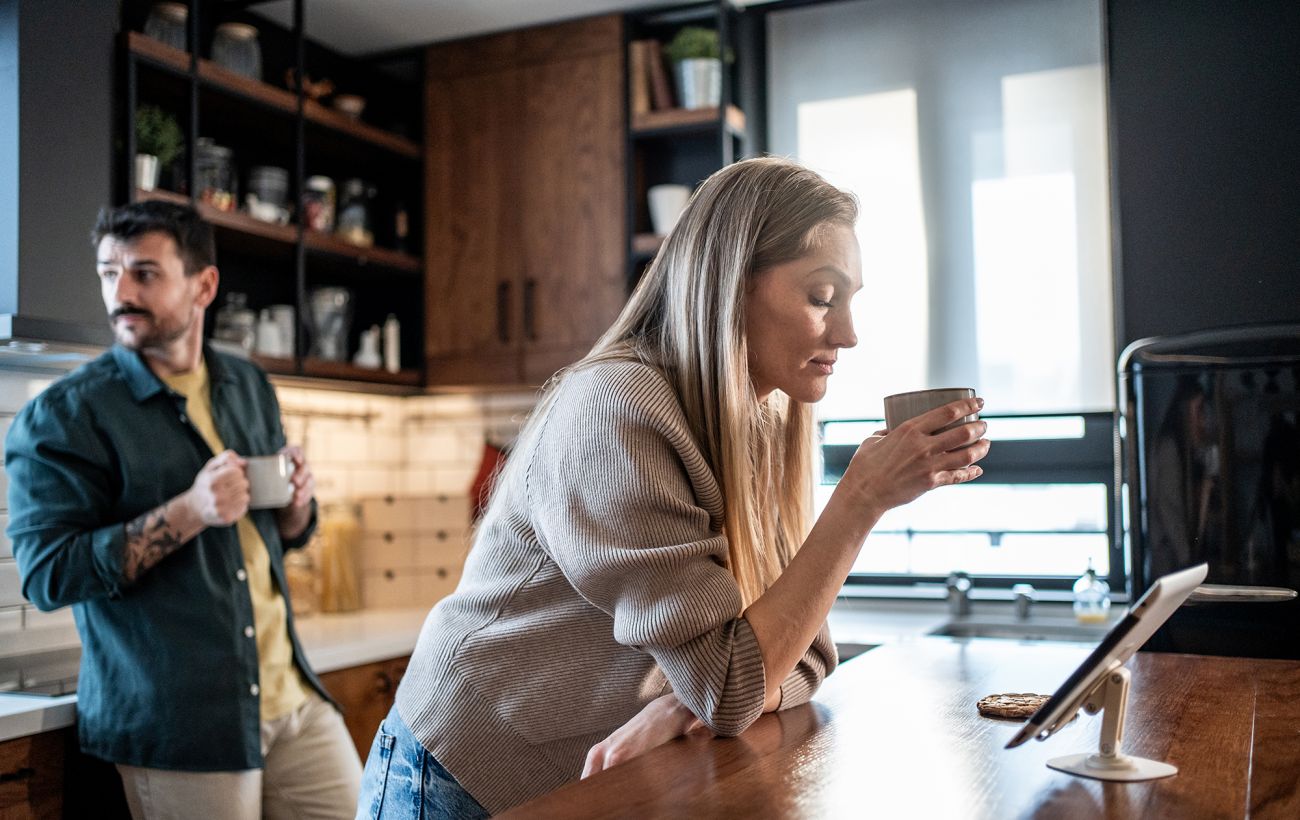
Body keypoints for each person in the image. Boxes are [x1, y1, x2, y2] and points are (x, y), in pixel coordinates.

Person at [356, 157, 990, 818]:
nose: (849, 334)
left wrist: (684, 704)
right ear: (730, 284)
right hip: (460, 775)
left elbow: (803, 657)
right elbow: (736, 685)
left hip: (582, 776)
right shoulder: (615, 409)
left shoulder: (761, 421)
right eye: (822, 297)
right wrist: (860, 502)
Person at [5, 201, 362, 819]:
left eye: (144, 273)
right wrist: (191, 510)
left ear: (204, 286)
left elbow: (281, 536)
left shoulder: (247, 384)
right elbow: (47, 576)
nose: (121, 292)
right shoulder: (64, 416)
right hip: (181, 726)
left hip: (290, 699)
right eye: (108, 272)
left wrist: (298, 506)